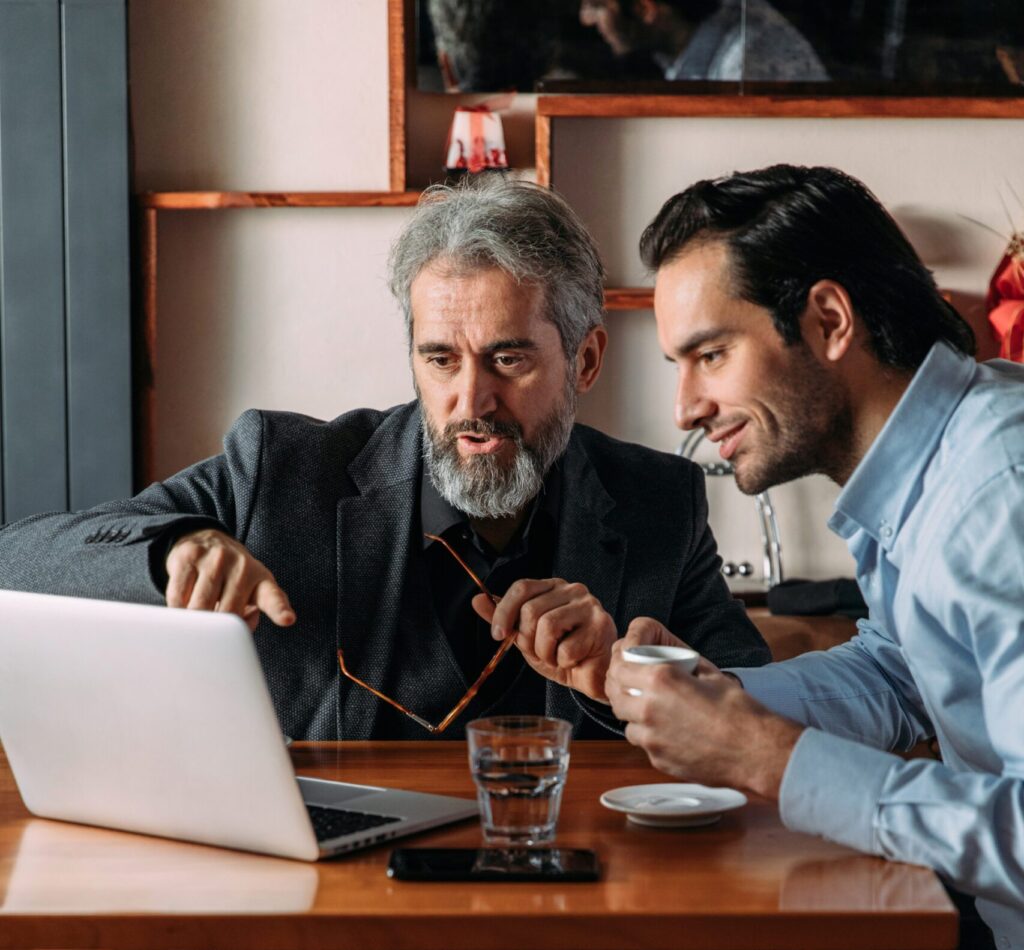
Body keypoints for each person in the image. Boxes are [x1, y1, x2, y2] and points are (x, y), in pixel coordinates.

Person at [0, 177, 769, 742]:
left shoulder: (658, 499)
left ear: (586, 359)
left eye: (508, 360)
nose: (472, 400)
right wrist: (170, 550)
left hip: (560, 888)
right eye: (439, 359)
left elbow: (759, 704)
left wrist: (625, 673)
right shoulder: (282, 468)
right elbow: (17, 563)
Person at [604, 164, 1023, 947]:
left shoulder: (1000, 494)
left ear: (829, 320)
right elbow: (903, 674)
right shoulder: (928, 465)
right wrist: (711, 696)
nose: (686, 408)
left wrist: (772, 760)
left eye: (712, 354)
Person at [579, 0, 828, 81]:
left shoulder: (744, 59)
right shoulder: (678, 55)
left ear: (646, 10)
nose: (585, 19)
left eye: (597, 5)